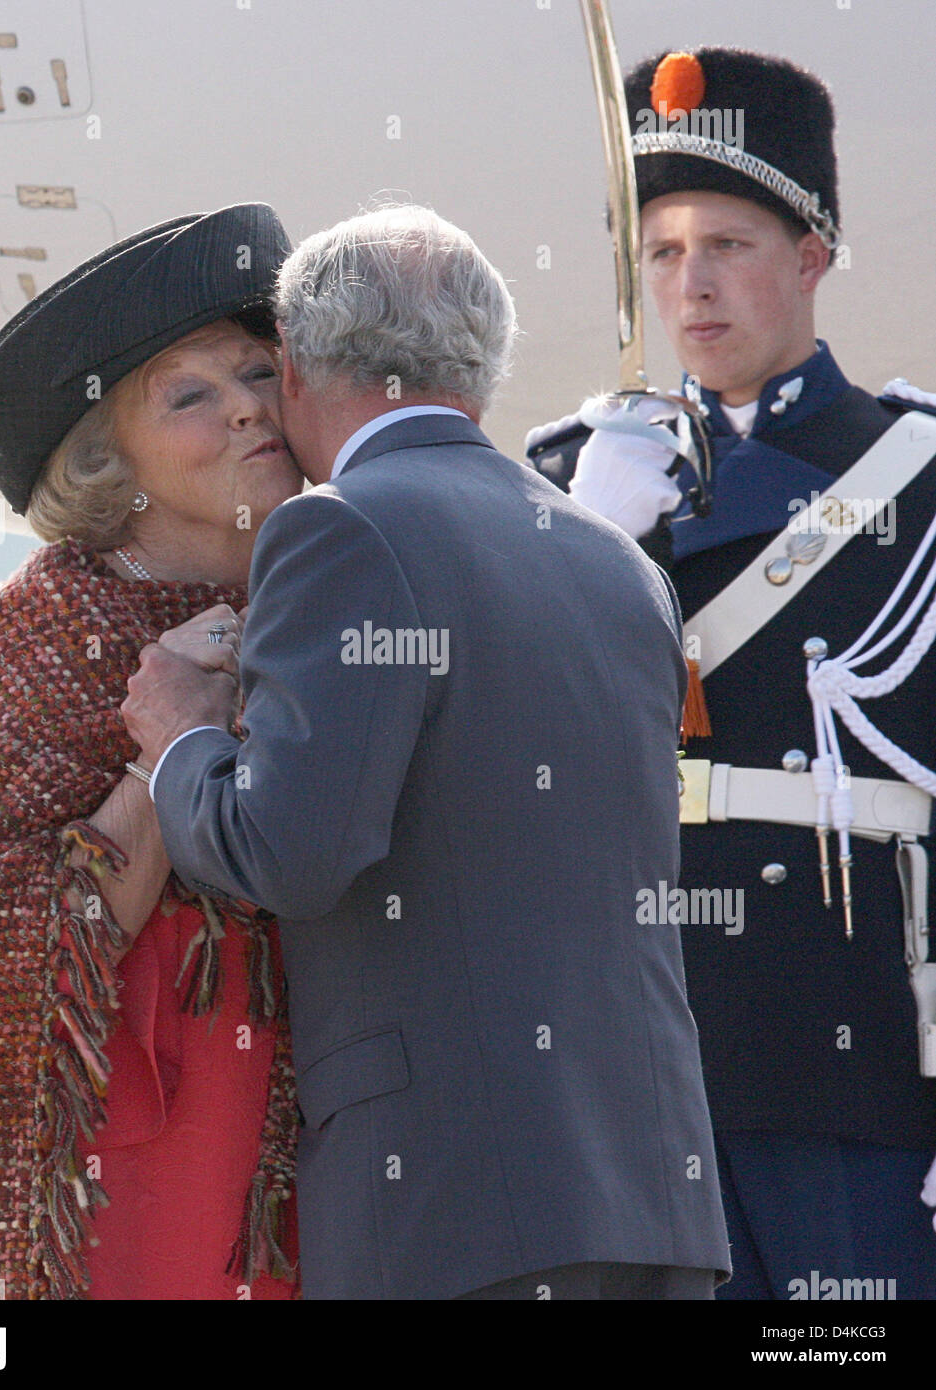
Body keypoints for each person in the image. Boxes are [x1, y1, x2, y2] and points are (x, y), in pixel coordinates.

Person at [121, 203, 732, 1300]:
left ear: (304, 364)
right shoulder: (616, 563)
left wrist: (183, 740)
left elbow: (289, 851)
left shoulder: (341, 529)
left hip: (454, 1202)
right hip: (654, 1193)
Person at [526, 49, 936, 1299]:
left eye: (729, 243)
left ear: (811, 253)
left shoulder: (911, 478)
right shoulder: (573, 482)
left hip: (847, 1066)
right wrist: (581, 547)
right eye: (660, 252)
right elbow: (515, 763)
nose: (689, 287)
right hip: (636, 1070)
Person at [0, 204, 304, 1300]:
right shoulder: (43, 633)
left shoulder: (335, 591)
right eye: (191, 396)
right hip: (126, 1171)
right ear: (106, 458)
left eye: (259, 370)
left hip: (325, 1151)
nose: (250, 408)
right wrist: (181, 738)